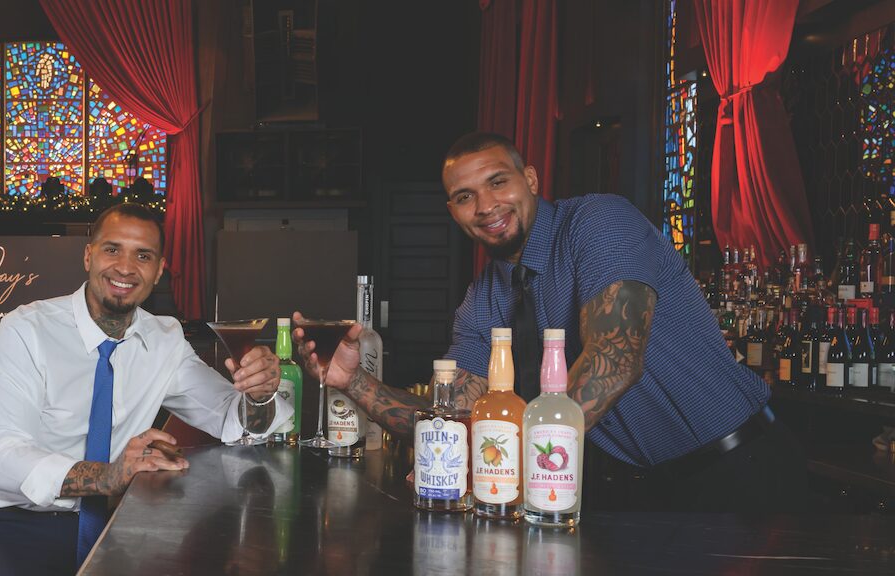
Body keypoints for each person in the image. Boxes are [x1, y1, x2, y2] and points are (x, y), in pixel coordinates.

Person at [294, 132, 806, 513]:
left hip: (742, 472)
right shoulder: (482, 299)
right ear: (452, 210)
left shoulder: (599, 224)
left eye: (498, 182)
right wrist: (352, 381)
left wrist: (498, 461)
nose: (486, 206)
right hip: (645, 494)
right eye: (465, 196)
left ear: (531, 180)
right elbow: (459, 419)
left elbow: (613, 362)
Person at [0, 203, 291, 575]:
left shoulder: (165, 340)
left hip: (114, 526)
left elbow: (233, 420)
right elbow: (2, 456)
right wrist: (108, 476)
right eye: (112, 249)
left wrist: (259, 394)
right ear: (88, 255)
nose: (125, 267)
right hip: (9, 524)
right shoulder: (26, 329)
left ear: (158, 271)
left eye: (143, 255)